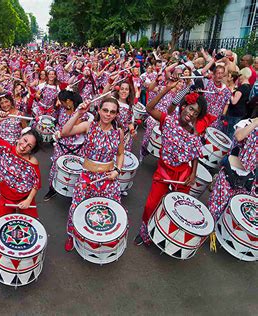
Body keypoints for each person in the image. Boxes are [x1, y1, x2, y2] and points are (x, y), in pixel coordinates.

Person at [135, 82, 207, 246]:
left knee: (177, 208)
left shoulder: (194, 133)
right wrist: (166, 89)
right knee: (151, 205)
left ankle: (165, 235)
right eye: (190, 108)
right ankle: (145, 232)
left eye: (196, 113)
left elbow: (195, 154)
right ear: (184, 106)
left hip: (183, 175)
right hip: (164, 171)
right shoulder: (168, 120)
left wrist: (194, 173)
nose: (191, 114)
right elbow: (149, 109)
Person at [62, 97, 125, 252]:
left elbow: (121, 154)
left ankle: (100, 240)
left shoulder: (118, 132)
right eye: (105, 110)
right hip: (87, 176)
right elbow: (65, 132)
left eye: (112, 112)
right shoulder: (88, 126)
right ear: (98, 110)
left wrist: (117, 170)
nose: (108, 114)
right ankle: (72, 235)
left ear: (116, 114)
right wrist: (78, 113)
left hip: (108, 178)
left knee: (107, 210)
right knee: (77, 208)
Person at [0, 115, 42, 219]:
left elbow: (36, 184)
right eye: (25, 140)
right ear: (20, 137)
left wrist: (28, 200)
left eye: (29, 146)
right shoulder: (6, 148)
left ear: (31, 150)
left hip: (25, 198)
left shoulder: (32, 162)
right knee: (3, 223)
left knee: (30, 226)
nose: (24, 146)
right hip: (5, 197)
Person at [208, 116, 257, 222]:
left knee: (233, 211)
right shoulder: (246, 123)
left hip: (246, 179)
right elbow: (239, 136)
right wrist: (256, 122)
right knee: (216, 208)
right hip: (230, 173)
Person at [44, 90, 88, 201]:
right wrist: (57, 132)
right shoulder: (62, 110)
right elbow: (59, 123)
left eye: (62, 101)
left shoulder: (82, 113)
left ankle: (76, 193)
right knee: (56, 166)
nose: (61, 104)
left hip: (76, 147)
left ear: (68, 101)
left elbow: (76, 128)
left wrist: (62, 133)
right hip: (61, 145)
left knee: (76, 171)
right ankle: (52, 189)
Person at [223, 67, 252, 139]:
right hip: (242, 113)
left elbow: (234, 101)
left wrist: (230, 92)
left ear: (243, 75)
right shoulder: (249, 87)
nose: (238, 78)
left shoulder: (242, 88)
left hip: (234, 113)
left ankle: (228, 148)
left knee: (230, 133)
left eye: (239, 75)